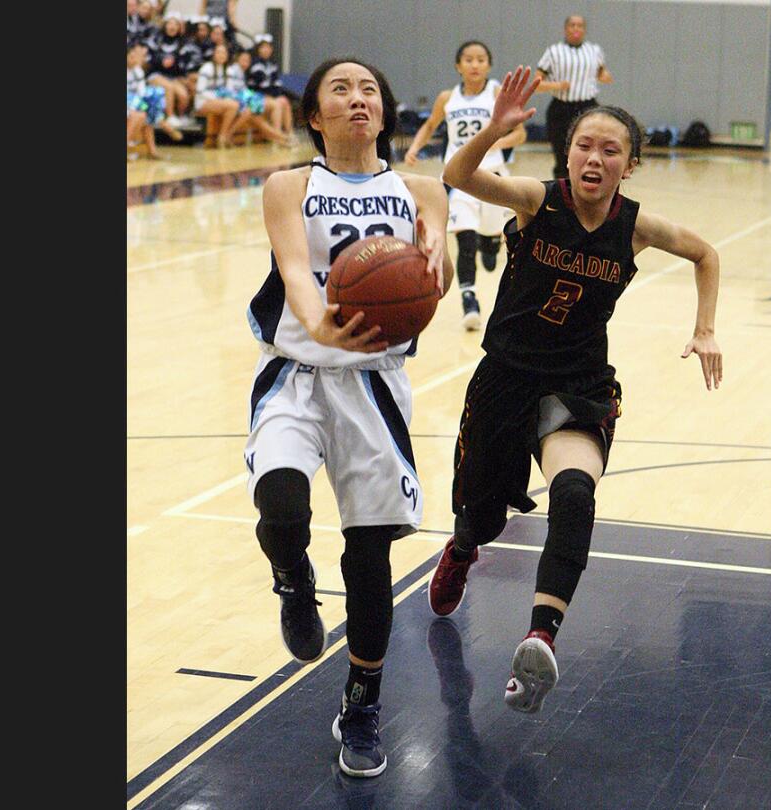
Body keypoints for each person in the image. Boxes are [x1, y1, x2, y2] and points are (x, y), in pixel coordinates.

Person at [433, 66, 722, 714]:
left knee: (574, 491)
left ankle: (541, 636)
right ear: (569, 154)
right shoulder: (540, 199)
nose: (595, 157)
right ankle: (462, 546)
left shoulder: (637, 228)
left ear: (631, 164)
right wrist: (494, 131)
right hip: (506, 376)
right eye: (584, 145)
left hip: (579, 382)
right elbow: (458, 178)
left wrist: (704, 329)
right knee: (482, 514)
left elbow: (706, 254)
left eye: (610, 149)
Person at [244, 55, 454, 777]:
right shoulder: (289, 186)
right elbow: (297, 272)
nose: (357, 97)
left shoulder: (422, 188)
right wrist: (321, 325)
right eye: (341, 88)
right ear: (314, 114)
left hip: (374, 385)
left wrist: (436, 263)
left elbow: (439, 269)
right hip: (298, 372)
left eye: (369, 88)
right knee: (281, 505)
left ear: (384, 110)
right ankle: (293, 581)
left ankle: (361, 704)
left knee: (369, 559)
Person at [403, 41, 527, 332]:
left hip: (494, 178)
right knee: (464, 241)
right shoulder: (448, 97)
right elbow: (431, 124)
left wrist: (496, 140)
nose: (474, 64)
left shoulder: (497, 93)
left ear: (489, 65)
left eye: (481, 59)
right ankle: (469, 300)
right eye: (468, 60)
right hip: (460, 178)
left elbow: (520, 133)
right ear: (458, 66)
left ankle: (492, 241)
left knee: (488, 245)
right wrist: (415, 147)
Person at [534, 15, 613, 179]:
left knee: (590, 153)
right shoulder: (553, 52)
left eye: (580, 25)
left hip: (588, 108)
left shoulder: (594, 50)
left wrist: (604, 76)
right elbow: (537, 84)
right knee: (562, 156)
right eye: (572, 25)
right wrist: (556, 85)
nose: (576, 28)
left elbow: (601, 73)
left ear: (584, 30)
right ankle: (562, 195)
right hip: (561, 108)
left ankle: (587, 192)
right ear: (566, 29)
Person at [128, 43, 182, 146]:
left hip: (135, 102)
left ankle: (152, 151)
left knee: (152, 100)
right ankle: (166, 126)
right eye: (131, 57)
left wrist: (143, 104)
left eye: (136, 57)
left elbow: (141, 92)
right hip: (130, 101)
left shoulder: (138, 71)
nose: (134, 60)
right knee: (146, 111)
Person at [192, 43, 243, 148]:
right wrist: (218, 98)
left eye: (224, 53)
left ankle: (225, 135)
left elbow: (230, 91)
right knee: (233, 106)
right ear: (214, 54)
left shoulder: (229, 70)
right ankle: (223, 137)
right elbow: (200, 91)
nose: (221, 55)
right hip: (203, 101)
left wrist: (225, 99)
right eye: (218, 52)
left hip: (220, 101)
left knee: (240, 106)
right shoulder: (207, 68)